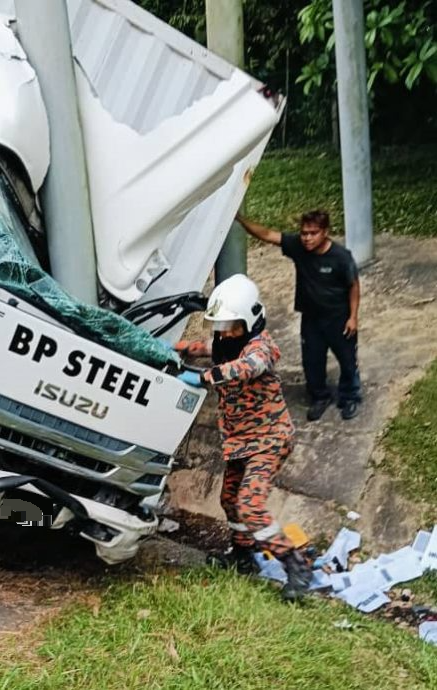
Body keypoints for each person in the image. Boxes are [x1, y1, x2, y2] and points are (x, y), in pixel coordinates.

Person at [176, 274, 312, 601]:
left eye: (233, 325)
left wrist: (205, 377)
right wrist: (166, 349)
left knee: (250, 505)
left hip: (269, 439)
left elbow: (248, 367)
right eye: (222, 326)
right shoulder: (225, 342)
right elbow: (200, 347)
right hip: (239, 441)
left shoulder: (259, 347)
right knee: (229, 500)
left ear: (250, 319)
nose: (226, 332)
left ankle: (296, 565)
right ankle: (242, 557)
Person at [236, 211, 361, 421]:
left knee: (347, 360)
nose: (308, 238)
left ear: (325, 233)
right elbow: (266, 234)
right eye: (304, 233)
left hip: (338, 318)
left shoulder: (341, 257)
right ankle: (320, 396)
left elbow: (354, 286)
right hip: (311, 318)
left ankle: (349, 397)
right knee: (312, 361)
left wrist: (353, 317)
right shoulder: (297, 247)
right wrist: (239, 218)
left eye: (314, 233)